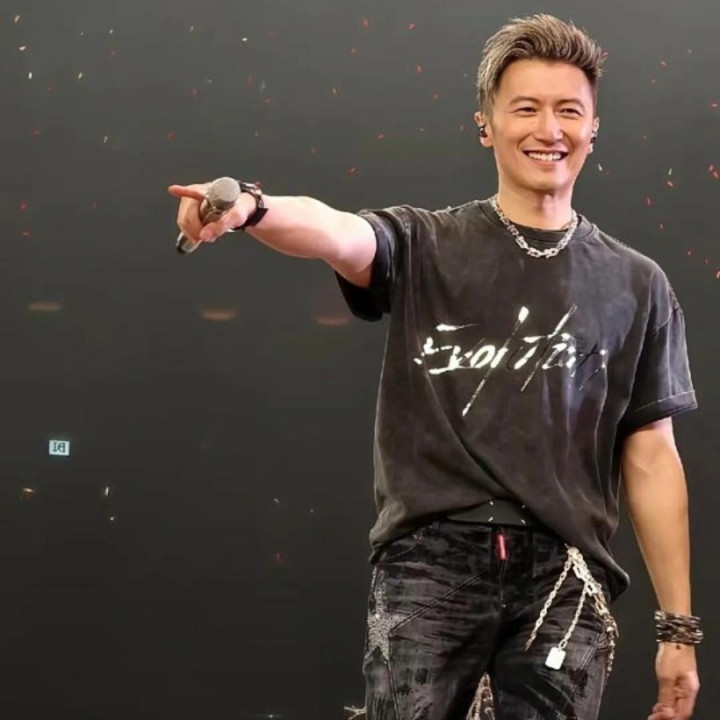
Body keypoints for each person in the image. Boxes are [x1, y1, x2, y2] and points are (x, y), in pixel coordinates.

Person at [169, 13, 703, 720]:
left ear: (593, 127)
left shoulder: (638, 284)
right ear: (486, 124)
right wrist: (252, 208)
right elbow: (337, 232)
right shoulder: (426, 242)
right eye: (526, 109)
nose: (549, 129)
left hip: (565, 581)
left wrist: (678, 631)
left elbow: (653, 459)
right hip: (430, 563)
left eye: (569, 110)